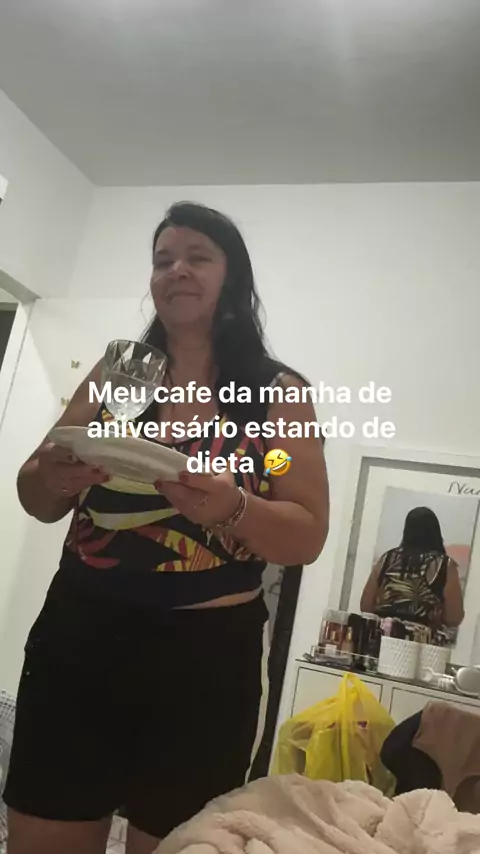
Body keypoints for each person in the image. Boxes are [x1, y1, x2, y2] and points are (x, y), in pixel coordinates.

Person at [4, 202, 329, 854]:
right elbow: (34, 494)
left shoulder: (275, 391)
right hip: (80, 634)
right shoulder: (117, 374)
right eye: (162, 260)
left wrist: (233, 508)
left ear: (233, 277)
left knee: (182, 843)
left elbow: (307, 534)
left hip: (206, 660)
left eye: (197, 257)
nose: (176, 270)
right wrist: (57, 476)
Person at [360, 506, 464, 630]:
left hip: (383, 635)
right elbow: (454, 617)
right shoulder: (444, 565)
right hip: (421, 637)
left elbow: (365, 606)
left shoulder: (387, 559)